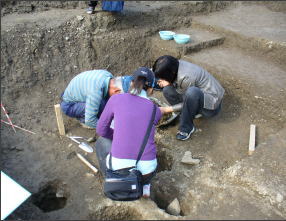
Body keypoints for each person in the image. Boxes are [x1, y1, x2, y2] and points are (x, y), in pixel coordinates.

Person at [95, 67, 169, 198]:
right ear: (151, 89)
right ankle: (146, 186)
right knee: (146, 145)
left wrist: (117, 136)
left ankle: (112, 179)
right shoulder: (154, 109)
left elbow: (101, 129)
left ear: (131, 83)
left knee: (102, 141)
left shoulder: (116, 99)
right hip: (147, 171)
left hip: (120, 169)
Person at [152, 55, 225, 141]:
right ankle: (185, 114)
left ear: (169, 74)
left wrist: (166, 109)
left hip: (212, 106)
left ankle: (186, 128)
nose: (159, 81)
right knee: (167, 90)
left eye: (162, 79)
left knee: (192, 92)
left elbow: (188, 99)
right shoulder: (174, 65)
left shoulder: (186, 78)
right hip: (198, 95)